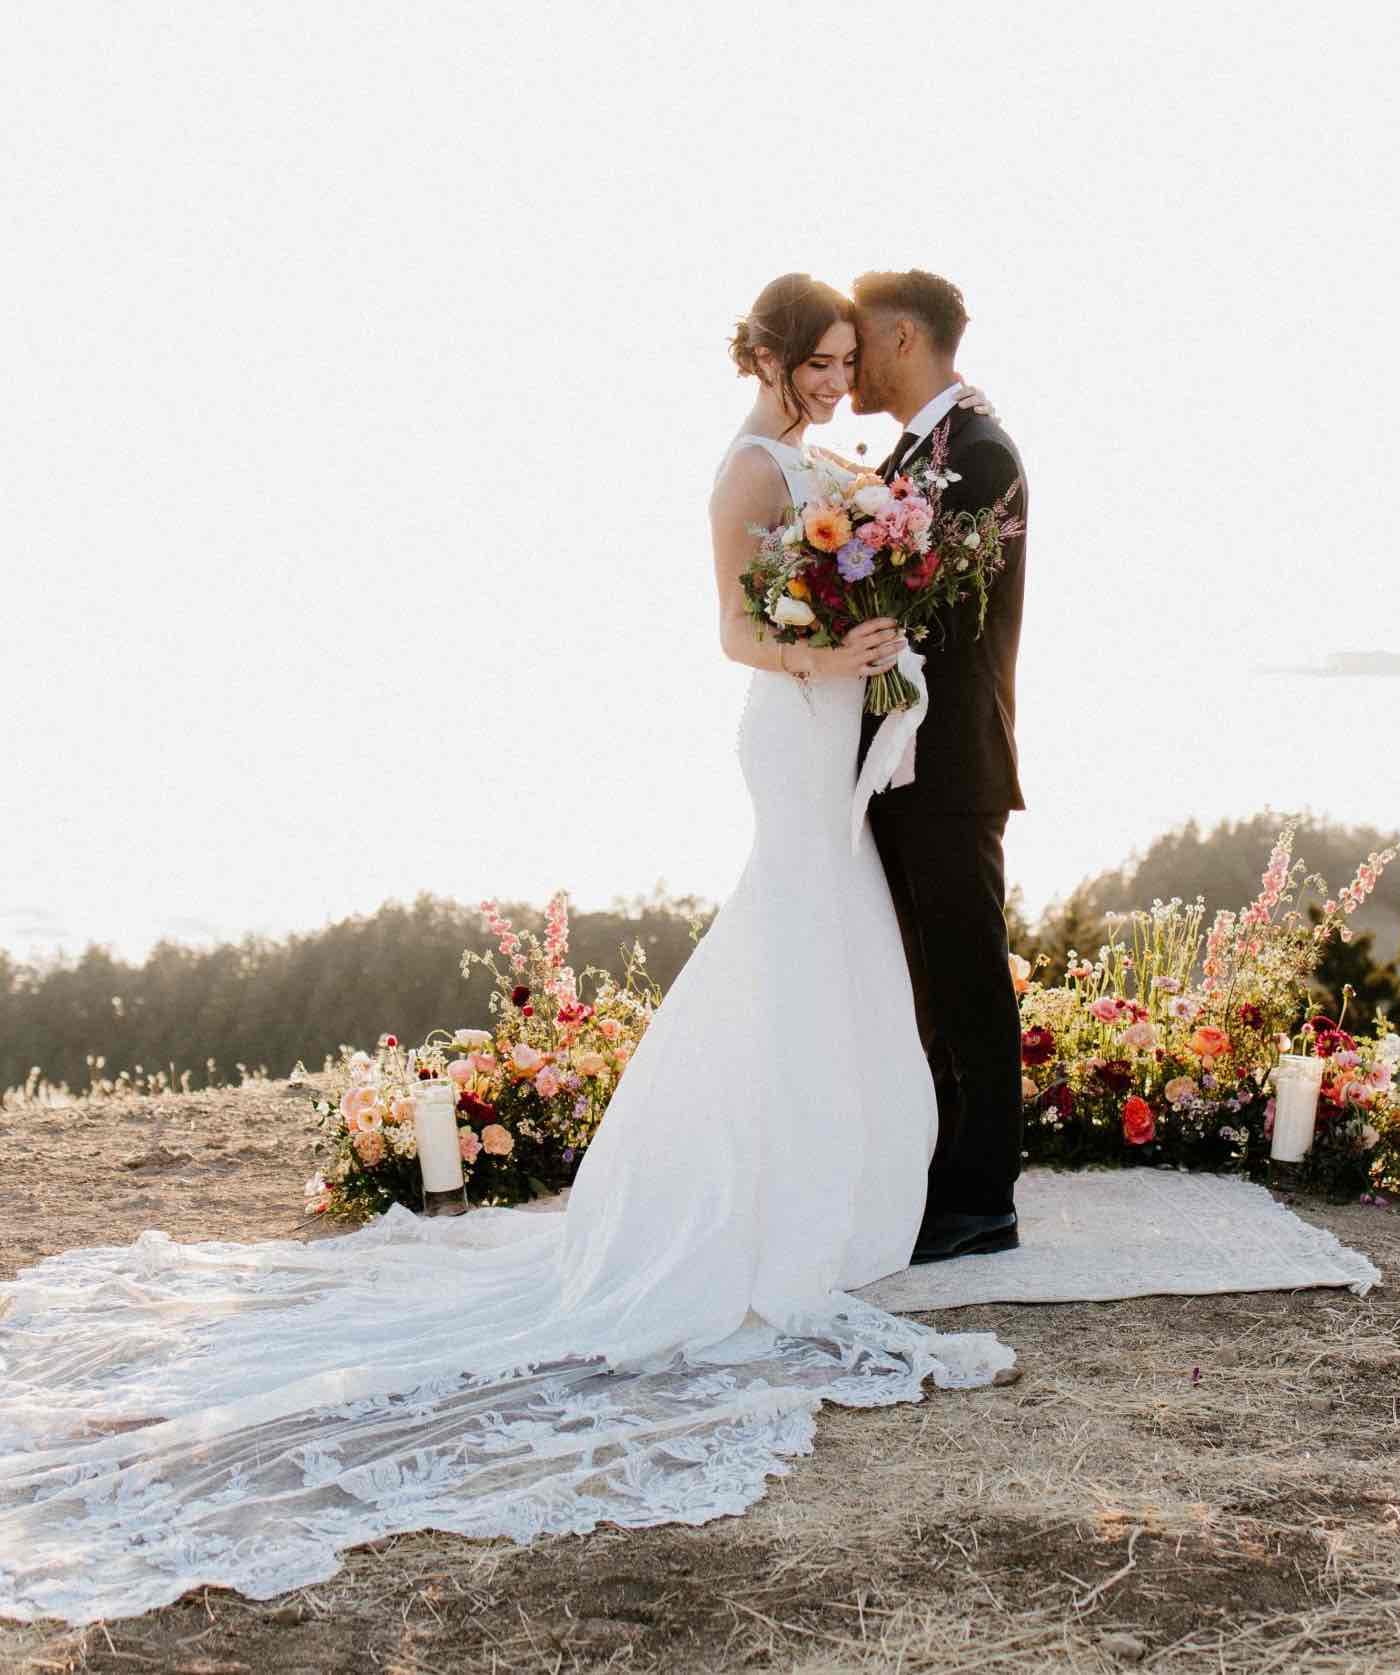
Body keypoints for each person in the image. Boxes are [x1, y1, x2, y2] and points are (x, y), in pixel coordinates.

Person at [0, 274, 1014, 1627]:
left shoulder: (826, 459)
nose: (837, 381)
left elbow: (851, 580)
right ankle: (747, 1187)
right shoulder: (742, 474)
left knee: (839, 938)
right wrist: (834, 649)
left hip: (840, 714)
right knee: (789, 926)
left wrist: (857, 632)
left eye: (845, 361)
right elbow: (731, 630)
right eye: (818, 362)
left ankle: (853, 1172)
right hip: (793, 723)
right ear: (768, 359)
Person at [849, 270, 1029, 1265]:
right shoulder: (923, 449)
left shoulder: (980, 451)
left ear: (907, 337)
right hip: (908, 759)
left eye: (865, 341)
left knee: (967, 982)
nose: (854, 360)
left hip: (953, 761)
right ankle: (944, 1175)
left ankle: (982, 1197)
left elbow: (941, 611)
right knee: (931, 983)